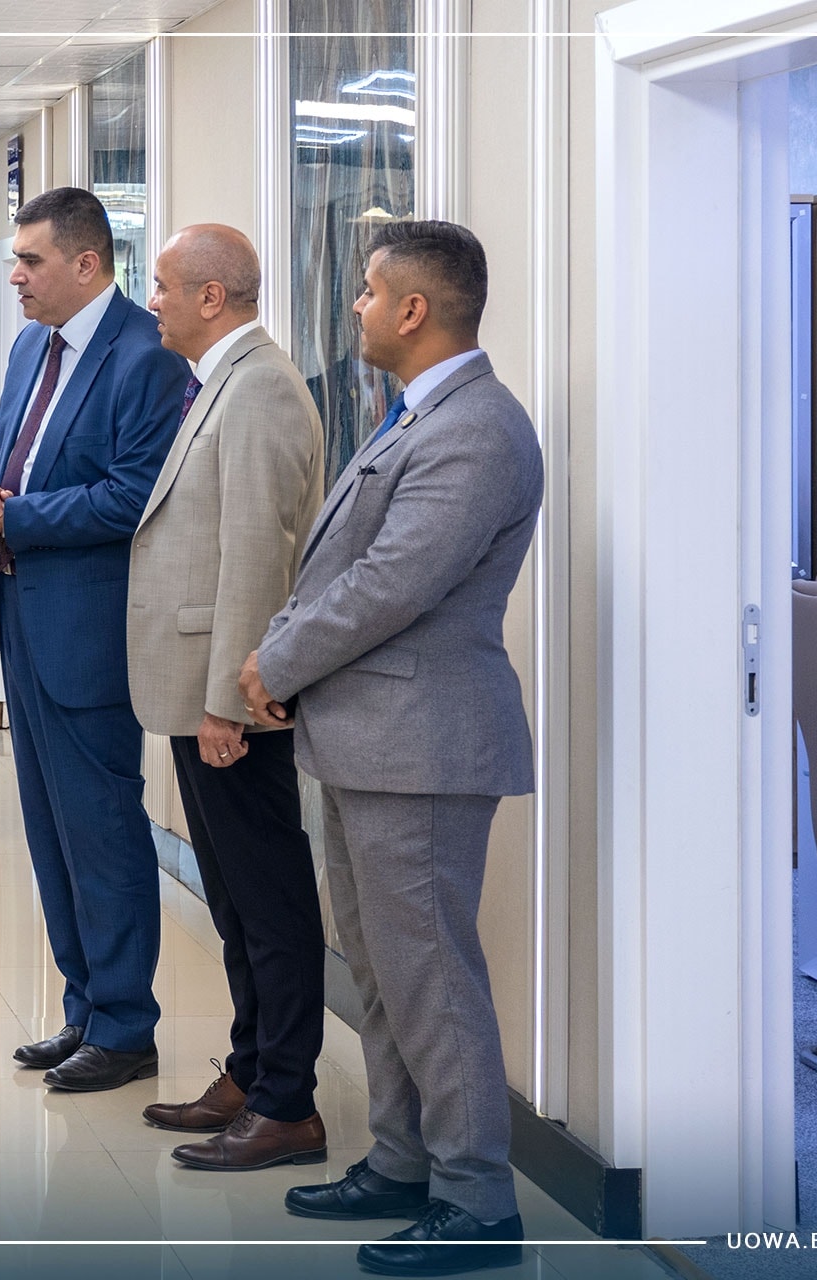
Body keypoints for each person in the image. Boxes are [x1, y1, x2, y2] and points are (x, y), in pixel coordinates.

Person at [238, 221, 543, 1275]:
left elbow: (389, 585)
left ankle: (478, 1201)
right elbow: (347, 568)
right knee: (381, 971)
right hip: (369, 742)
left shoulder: (478, 429)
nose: (356, 306)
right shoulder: (418, 414)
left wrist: (276, 661)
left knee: (433, 979)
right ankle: (405, 1160)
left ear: (415, 310)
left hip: (424, 748)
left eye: (369, 291)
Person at [0, 187, 190, 1092]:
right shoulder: (29, 347)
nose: (15, 276)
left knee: (103, 831)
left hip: (91, 631)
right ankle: (83, 1008)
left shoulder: (146, 355)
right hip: (24, 619)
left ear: (87, 264)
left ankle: (126, 1028)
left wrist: (14, 516)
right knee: (50, 831)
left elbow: (135, 495)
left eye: (30, 261)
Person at [127, 225, 328, 1170]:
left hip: (232, 702)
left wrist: (228, 705)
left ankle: (287, 1104)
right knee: (235, 904)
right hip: (202, 691)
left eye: (164, 285)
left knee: (268, 902)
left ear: (212, 297)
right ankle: (251, 1073)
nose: (152, 301)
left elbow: (257, 557)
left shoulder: (261, 389)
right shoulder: (222, 382)